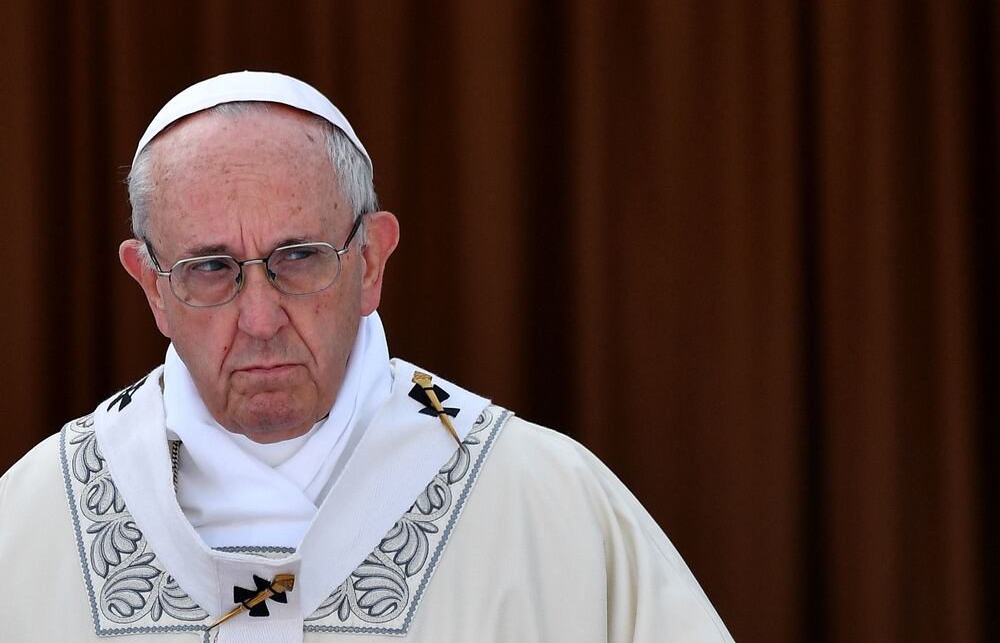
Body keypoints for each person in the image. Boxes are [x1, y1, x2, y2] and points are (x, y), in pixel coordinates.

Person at [0, 71, 733, 642]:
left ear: (372, 260)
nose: (258, 319)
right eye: (209, 269)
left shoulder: (548, 504)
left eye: (299, 257)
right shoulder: (32, 524)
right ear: (151, 286)